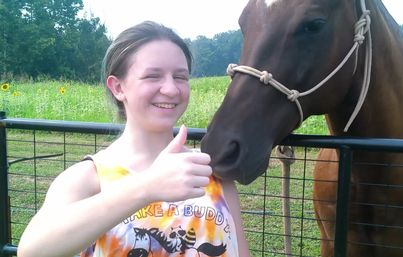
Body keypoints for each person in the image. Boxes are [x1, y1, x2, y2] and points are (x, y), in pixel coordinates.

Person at [18, 21, 251, 257]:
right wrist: (147, 186)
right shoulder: (88, 178)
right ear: (118, 87)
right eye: (152, 76)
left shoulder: (208, 173)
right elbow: (32, 251)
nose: (171, 89)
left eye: (180, 77)